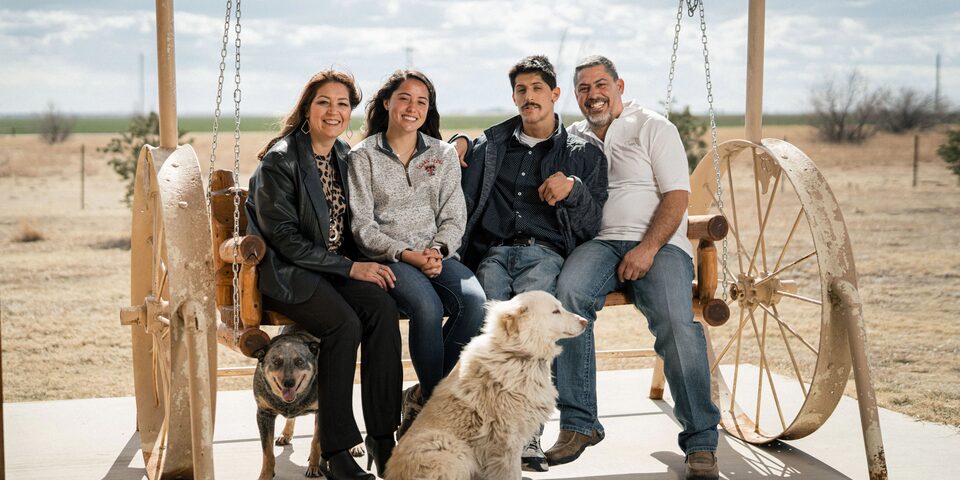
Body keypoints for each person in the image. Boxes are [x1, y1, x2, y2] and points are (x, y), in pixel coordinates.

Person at [552, 55, 721, 479]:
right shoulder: (573, 137)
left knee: (675, 322)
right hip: (600, 244)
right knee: (567, 300)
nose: (593, 95)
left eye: (600, 85)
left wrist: (647, 248)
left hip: (659, 245)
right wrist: (462, 142)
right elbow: (523, 136)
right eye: (584, 89)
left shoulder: (653, 126)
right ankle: (579, 424)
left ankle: (700, 440)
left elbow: (677, 197)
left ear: (619, 85)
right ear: (576, 96)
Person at [454, 55, 608, 472]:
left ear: (555, 95)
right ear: (514, 97)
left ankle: (527, 434)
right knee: (489, 329)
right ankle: (484, 430)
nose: (529, 97)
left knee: (530, 331)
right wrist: (460, 139)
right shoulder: (493, 146)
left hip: (544, 253)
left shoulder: (582, 154)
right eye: (521, 90)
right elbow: (461, 150)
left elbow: (592, 223)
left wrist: (573, 190)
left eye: (537, 89)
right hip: (494, 253)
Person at [246, 70, 401, 480]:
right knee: (343, 325)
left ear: (350, 112)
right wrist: (352, 267)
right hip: (288, 276)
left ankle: (384, 440)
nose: (334, 111)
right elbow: (282, 238)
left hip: (331, 272)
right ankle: (336, 453)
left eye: (343, 104)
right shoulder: (281, 160)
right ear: (307, 109)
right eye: (324, 102)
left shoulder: (344, 155)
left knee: (383, 312)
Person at [348, 70, 486, 439]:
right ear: (388, 103)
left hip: (437, 254)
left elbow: (454, 214)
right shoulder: (363, 157)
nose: (413, 107)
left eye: (422, 101)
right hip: (390, 258)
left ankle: (426, 396)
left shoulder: (441, 155)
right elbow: (362, 226)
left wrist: (439, 249)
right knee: (426, 307)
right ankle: (439, 412)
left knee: (475, 303)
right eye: (405, 98)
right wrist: (405, 254)